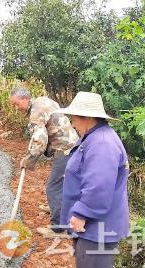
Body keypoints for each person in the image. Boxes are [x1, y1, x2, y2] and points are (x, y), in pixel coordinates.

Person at [55, 92, 129, 268]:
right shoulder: (94, 138)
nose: (72, 124)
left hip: (97, 229)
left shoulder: (102, 143)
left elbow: (99, 185)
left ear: (87, 118)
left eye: (74, 119)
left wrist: (82, 213)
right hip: (91, 229)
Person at [9, 87, 79, 237]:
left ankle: (58, 228)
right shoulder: (42, 101)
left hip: (66, 148)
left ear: (25, 98)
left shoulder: (36, 112)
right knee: (61, 183)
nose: (16, 108)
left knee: (53, 187)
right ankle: (56, 206)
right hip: (72, 144)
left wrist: (29, 160)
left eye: (16, 104)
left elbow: (40, 140)